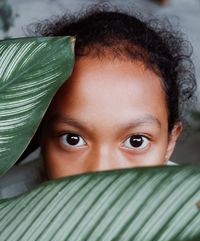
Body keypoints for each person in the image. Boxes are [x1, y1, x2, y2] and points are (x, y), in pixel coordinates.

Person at [0, 5, 196, 197]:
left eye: (136, 142)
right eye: (72, 139)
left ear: (169, 143)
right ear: (40, 134)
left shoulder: (191, 208)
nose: (100, 172)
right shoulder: (7, 202)